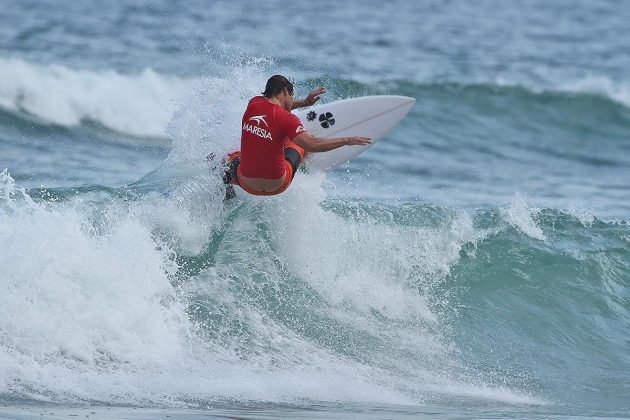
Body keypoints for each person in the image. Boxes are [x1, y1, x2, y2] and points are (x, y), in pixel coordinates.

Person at [223, 75, 371, 198]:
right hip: (277, 185)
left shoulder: (253, 104)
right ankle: (302, 160)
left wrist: (304, 103)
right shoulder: (287, 119)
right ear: (285, 92)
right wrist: (346, 140)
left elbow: (273, 110)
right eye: (292, 96)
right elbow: (313, 144)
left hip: (246, 183)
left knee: (223, 160)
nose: (292, 100)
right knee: (300, 142)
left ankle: (227, 198)